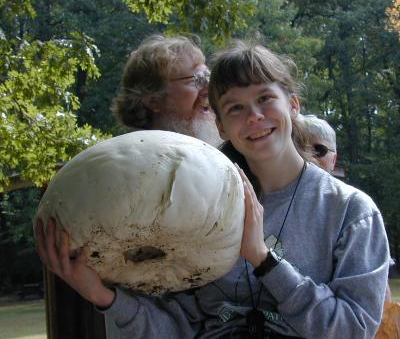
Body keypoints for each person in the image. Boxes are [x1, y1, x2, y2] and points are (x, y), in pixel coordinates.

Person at [35, 41, 390, 339]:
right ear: (219, 123)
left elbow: (353, 329)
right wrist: (103, 296)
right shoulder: (202, 207)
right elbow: (176, 330)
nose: (253, 116)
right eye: (235, 107)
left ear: (293, 106)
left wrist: (264, 261)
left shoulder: (351, 212)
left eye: (265, 98)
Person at [110, 34, 222, 147]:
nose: (209, 88)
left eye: (208, 76)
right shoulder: (133, 159)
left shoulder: (228, 150)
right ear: (154, 100)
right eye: (198, 79)